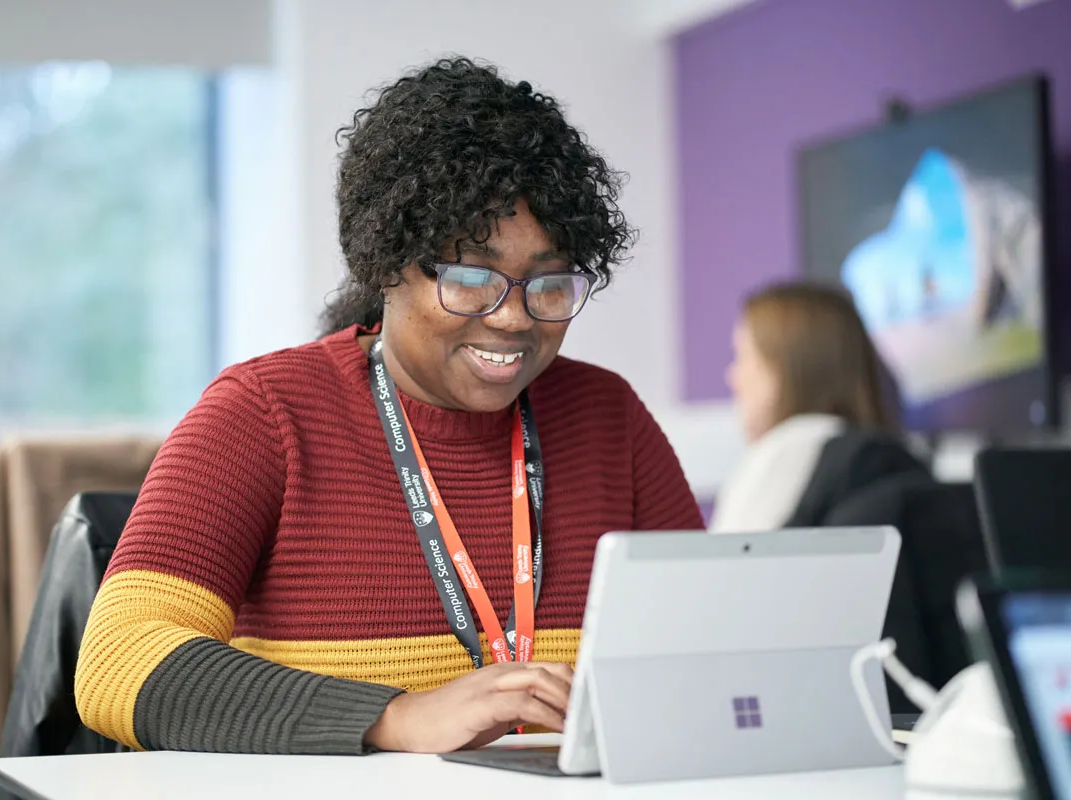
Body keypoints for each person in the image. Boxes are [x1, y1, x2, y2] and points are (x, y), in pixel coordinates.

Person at [75, 57, 702, 756]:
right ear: (386, 263)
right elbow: (117, 664)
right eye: (470, 278)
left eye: (548, 283)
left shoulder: (609, 419)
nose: (513, 319)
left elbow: (712, 646)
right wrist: (396, 718)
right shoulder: (264, 415)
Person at [710, 281, 916, 533]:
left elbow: (728, 570)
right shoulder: (892, 457)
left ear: (782, 369)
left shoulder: (781, 454)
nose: (733, 376)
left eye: (742, 357)